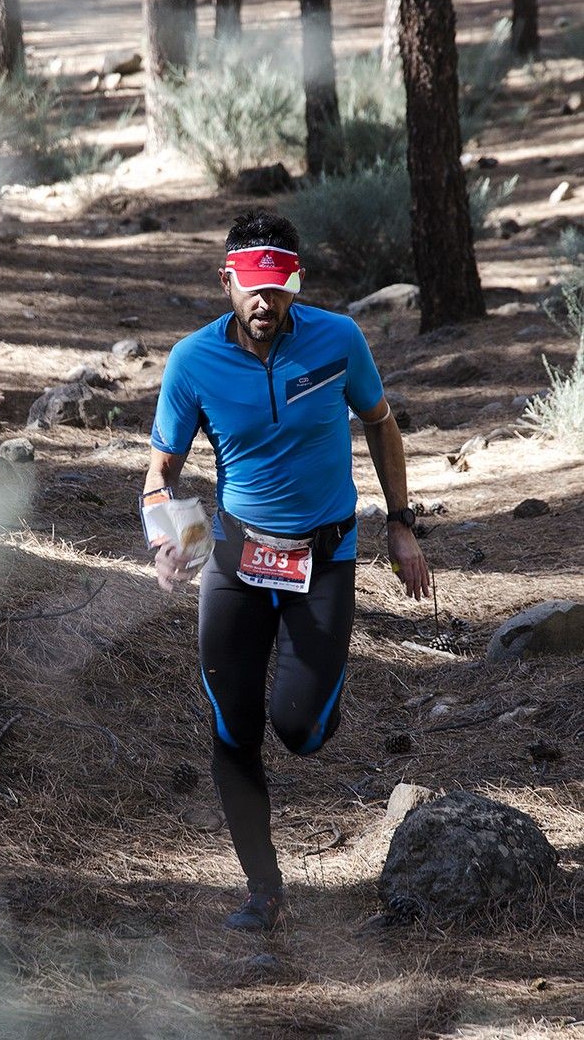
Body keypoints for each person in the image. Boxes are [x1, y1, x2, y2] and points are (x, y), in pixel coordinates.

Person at [142, 209, 429, 931]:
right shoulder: (192, 360)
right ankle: (262, 887)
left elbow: (381, 422)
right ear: (227, 282)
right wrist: (171, 538)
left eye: (279, 286)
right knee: (231, 728)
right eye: (251, 287)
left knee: (296, 728)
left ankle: (315, 696)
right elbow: (161, 473)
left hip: (323, 555)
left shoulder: (339, 340)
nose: (264, 302)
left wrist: (399, 523)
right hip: (236, 557)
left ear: (295, 281)